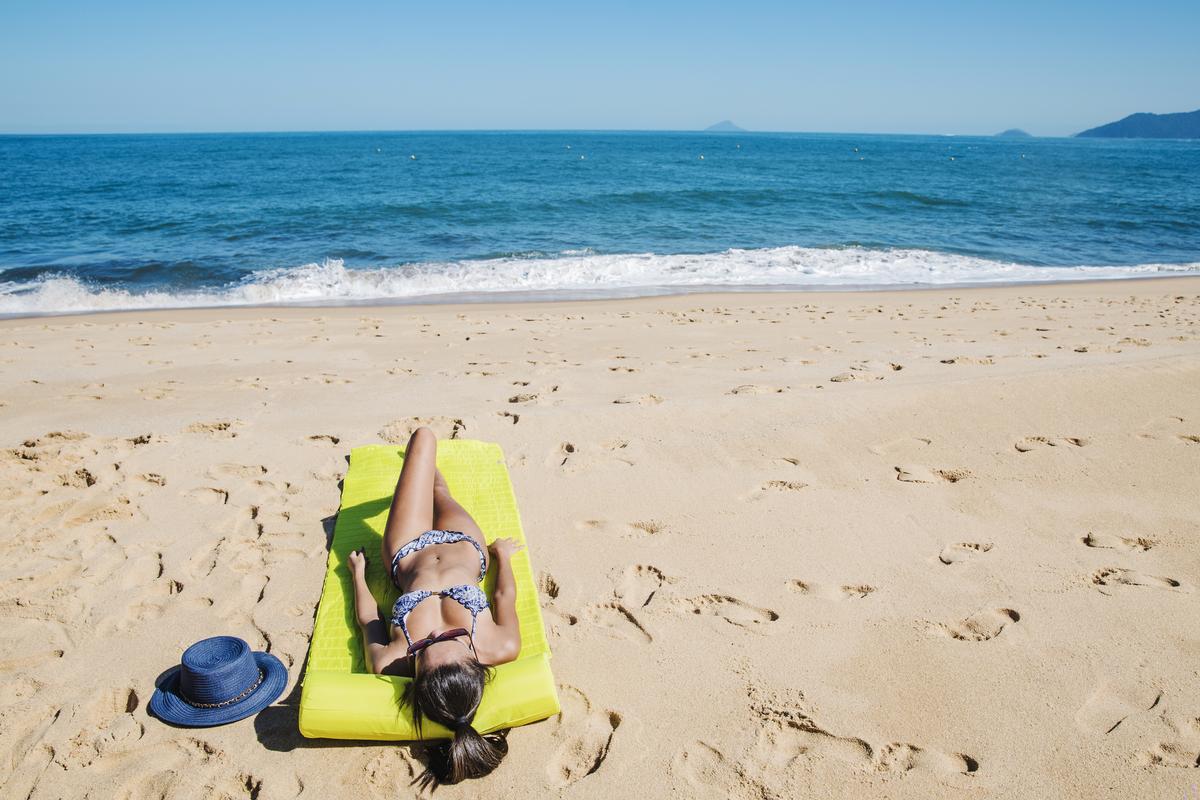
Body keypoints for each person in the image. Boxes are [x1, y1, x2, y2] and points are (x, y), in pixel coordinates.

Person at [347, 426, 523, 783]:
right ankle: (429, 477)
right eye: (453, 638)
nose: (437, 633)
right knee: (440, 490)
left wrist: (357, 574)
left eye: (426, 644)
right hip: (465, 544)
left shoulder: (389, 661)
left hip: (407, 547)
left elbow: (369, 620)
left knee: (423, 437)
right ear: (475, 663)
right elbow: (504, 597)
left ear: (415, 675)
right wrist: (502, 556)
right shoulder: (501, 645)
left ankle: (418, 471)